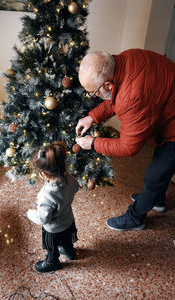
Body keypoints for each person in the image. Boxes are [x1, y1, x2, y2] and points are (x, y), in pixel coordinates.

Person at [75, 49, 175, 232]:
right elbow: (118, 95)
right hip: (167, 111)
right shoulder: (125, 58)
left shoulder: (132, 97)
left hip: (173, 131)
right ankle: (157, 200)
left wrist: (93, 144)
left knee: (155, 175)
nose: (92, 96)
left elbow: (128, 147)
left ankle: (136, 218)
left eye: (92, 92)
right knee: (162, 168)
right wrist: (93, 117)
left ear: (107, 85)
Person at [27, 141, 79, 273]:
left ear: (44, 174)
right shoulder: (70, 179)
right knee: (67, 240)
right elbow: (76, 187)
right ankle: (69, 252)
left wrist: (30, 213)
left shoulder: (47, 194)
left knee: (52, 249)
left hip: (53, 229)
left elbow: (43, 219)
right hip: (68, 220)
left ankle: (52, 262)